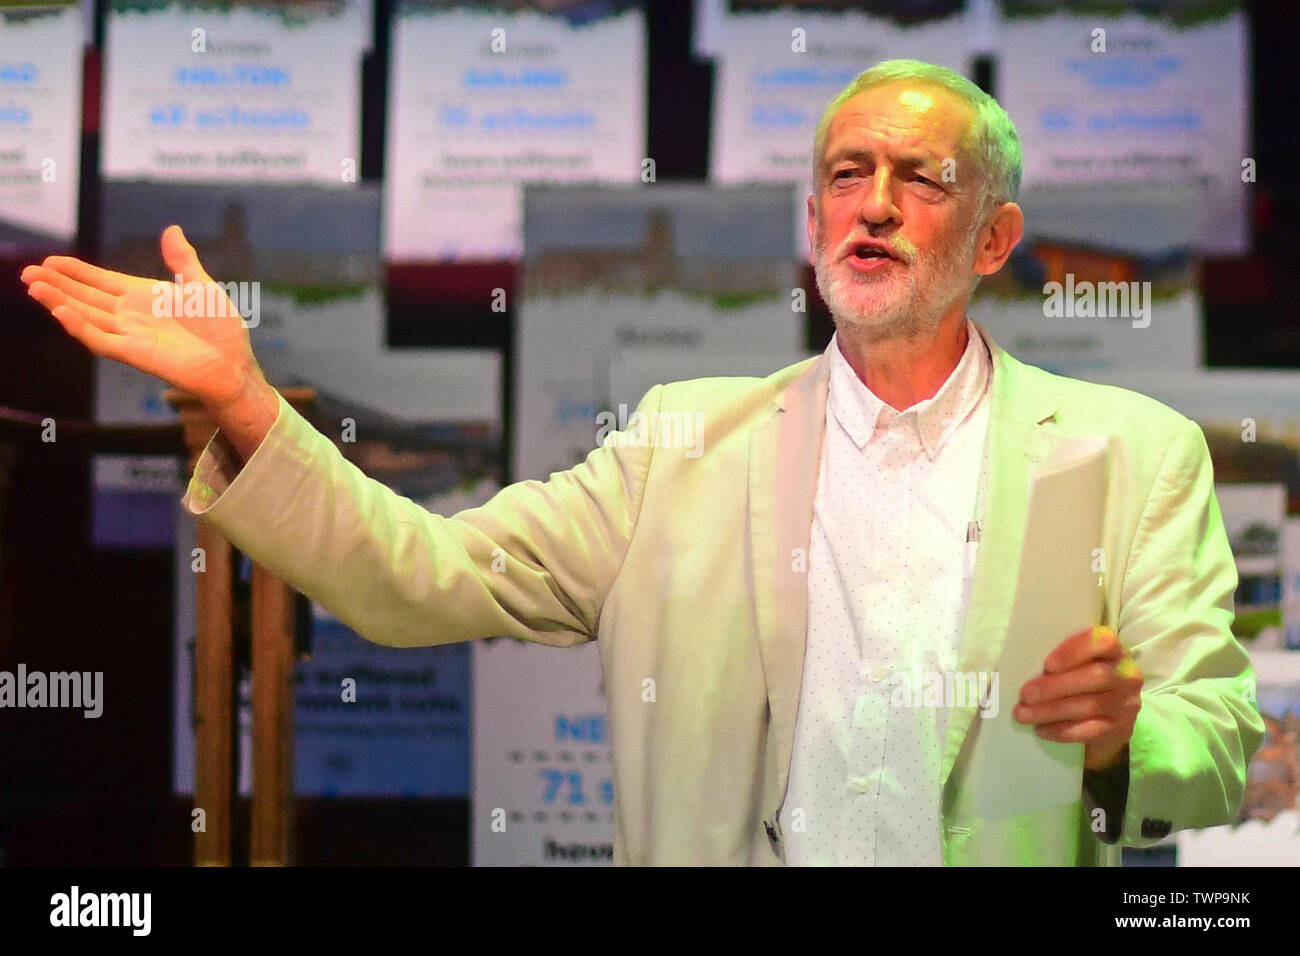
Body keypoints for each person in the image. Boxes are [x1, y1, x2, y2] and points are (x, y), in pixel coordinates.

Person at [20, 59, 1262, 865]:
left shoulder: (1128, 456)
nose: (873, 203)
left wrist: (1123, 737)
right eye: (845, 174)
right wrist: (243, 396)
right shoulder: (685, 442)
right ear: (814, 223)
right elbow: (424, 574)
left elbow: (1213, 752)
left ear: (994, 237)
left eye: (919, 179)